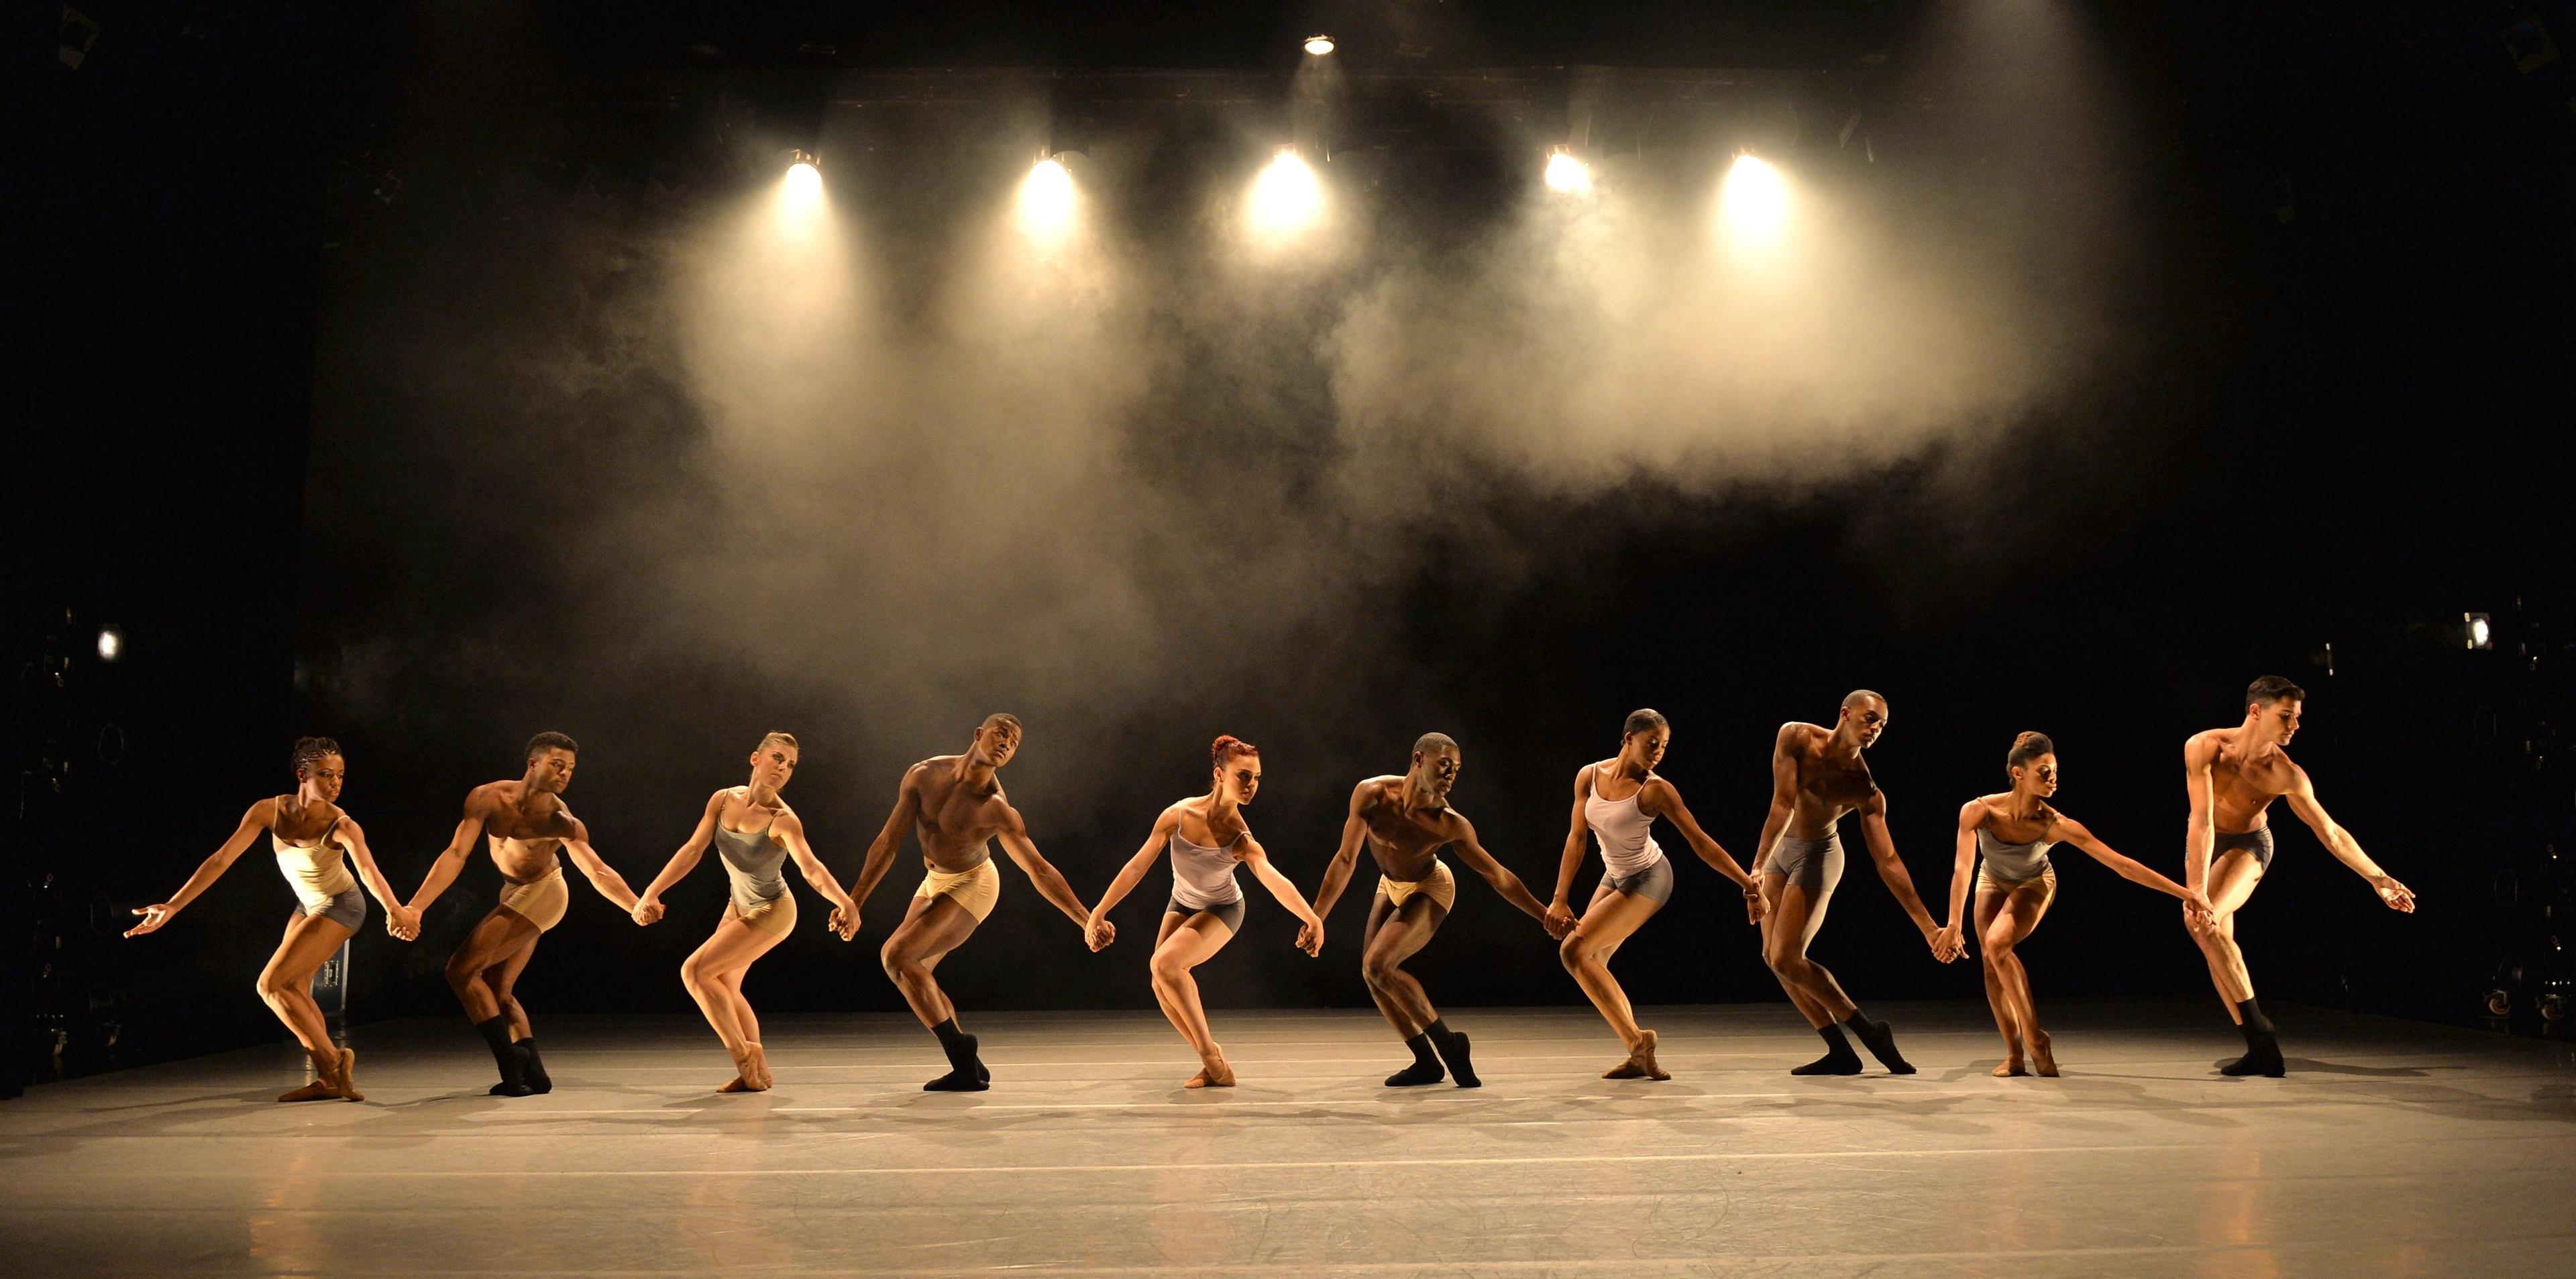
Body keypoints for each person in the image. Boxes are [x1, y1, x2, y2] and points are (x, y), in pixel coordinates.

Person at [125, 737, 416, 1101]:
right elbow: (221, 859)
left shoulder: (343, 825)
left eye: (340, 776)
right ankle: (330, 1078)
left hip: (342, 904)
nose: (335, 783)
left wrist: (394, 909)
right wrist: (172, 906)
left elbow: (369, 871)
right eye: (326, 775)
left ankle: (334, 1065)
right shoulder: (268, 811)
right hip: (306, 905)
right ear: (302, 775)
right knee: (293, 989)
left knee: (271, 985)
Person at [843, 714, 1104, 1091]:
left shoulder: (995, 808)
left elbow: (1039, 870)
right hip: (934, 880)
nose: (1006, 743)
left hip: (974, 883)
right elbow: (887, 843)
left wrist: (1087, 919)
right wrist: (855, 902)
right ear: (979, 734)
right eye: (1002, 734)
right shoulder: (923, 775)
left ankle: (963, 1056)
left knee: (897, 956)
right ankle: (971, 1065)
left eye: (1014, 743)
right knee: (912, 974)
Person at [1938, 732, 2211, 1076]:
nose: (2053, 779)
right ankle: (2014, 1055)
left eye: (2054, 771)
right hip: (1991, 878)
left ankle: (2036, 1038)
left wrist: (2188, 894)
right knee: (1991, 962)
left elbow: (2121, 865)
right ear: (2018, 773)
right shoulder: (1979, 810)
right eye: (2044, 772)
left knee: (1998, 944)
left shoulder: (2056, 824)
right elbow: (1962, 868)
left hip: (2034, 882)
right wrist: (1953, 923)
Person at [2182, 676, 2415, 1076]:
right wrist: (2197, 887)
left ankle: (2262, 1034)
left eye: (2297, 717)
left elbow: (2331, 832)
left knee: (2203, 923)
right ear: (2256, 711)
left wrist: (2379, 878)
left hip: (2248, 846)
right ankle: (2258, 1046)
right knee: (2211, 937)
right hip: (2206, 842)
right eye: (2286, 715)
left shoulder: (2286, 774)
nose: (2295, 725)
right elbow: (2201, 822)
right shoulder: (2204, 746)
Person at [405, 732, 649, 1096]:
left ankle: (509, 1059)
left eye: (570, 769)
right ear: (533, 764)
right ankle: (533, 1073)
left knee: (460, 970)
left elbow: (596, 871)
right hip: (515, 891)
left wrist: (635, 905)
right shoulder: (487, 797)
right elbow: (456, 854)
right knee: (497, 990)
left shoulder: (561, 820)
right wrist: (416, 906)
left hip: (545, 891)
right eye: (557, 765)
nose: (565, 774)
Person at [1308, 732, 1553, 1088]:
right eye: (1445, 765)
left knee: (1379, 965)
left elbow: (1497, 875)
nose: (1452, 774)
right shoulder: (1372, 794)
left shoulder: (1448, 823)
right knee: (1373, 975)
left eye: (1457, 769)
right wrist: (1317, 917)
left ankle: (1451, 1045)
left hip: (1430, 886)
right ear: (1419, 760)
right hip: (1389, 885)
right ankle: (1426, 1062)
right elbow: (1346, 859)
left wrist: (1543, 913)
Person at [1085, 736, 1324, 1087]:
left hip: (1224, 907)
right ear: (1219, 775)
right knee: (1160, 981)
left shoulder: (1240, 837)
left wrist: (1311, 917)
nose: (1252, 785)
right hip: (1182, 902)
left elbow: (1273, 879)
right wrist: (1099, 911)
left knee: (1165, 964)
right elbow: (1136, 867)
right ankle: (1213, 1061)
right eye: (1244, 776)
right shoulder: (1178, 816)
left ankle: (1213, 1061)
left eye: (1257, 777)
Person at [631, 732, 860, 1092]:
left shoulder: (782, 819)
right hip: (737, 907)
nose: (783, 768)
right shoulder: (723, 800)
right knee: (725, 988)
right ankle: (758, 1075)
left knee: (695, 972)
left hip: (773, 911)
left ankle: (744, 1054)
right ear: (756, 759)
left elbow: (811, 869)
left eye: (790, 765)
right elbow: (693, 850)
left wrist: (845, 902)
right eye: (777, 759)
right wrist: (652, 892)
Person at [1545, 709, 1766, 1081]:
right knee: (1588, 960)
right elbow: (1577, 838)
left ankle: (1638, 1042)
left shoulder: (1656, 790)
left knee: (1573, 950)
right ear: (1628, 738)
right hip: (1614, 876)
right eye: (1652, 743)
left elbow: (1699, 841)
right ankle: (1637, 1053)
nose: (1659, 752)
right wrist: (1560, 897)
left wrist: (1747, 883)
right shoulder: (1589, 776)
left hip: (1649, 878)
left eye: (1664, 746)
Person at [1754, 691, 1964, 1076]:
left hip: (1818, 856)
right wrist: (1757, 868)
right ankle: (1840, 1051)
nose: (1874, 729)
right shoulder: (1795, 737)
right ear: (1845, 714)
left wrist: (1929, 927)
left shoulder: (1863, 787)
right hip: (1779, 851)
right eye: (1869, 719)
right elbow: (1782, 803)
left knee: (1787, 957)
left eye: (1881, 725)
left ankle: (1870, 1032)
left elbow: (1888, 860)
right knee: (1774, 960)